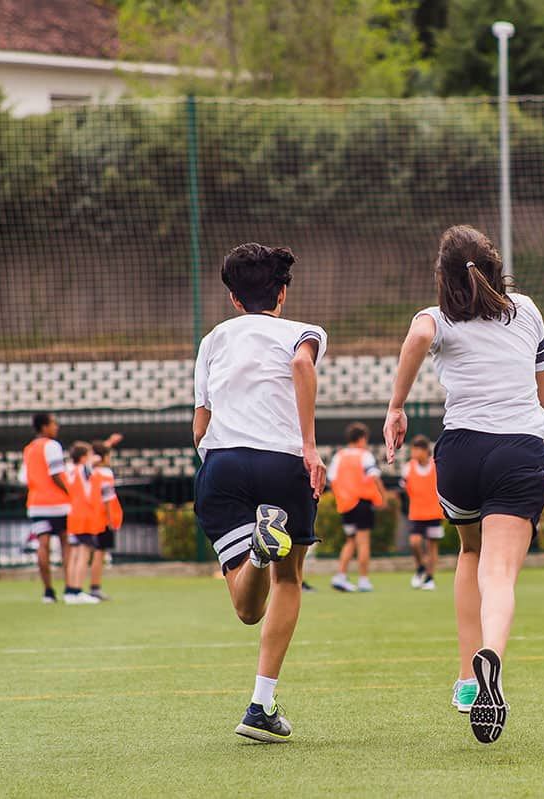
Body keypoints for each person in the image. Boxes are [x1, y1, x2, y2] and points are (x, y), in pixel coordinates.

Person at [384, 224, 544, 745]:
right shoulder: (525, 309)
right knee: (499, 574)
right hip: (520, 449)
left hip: (461, 453)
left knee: (468, 552)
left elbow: (417, 337)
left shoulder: (437, 319)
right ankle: (492, 658)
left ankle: (465, 680)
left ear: (441, 276)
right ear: (496, 268)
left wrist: (397, 407)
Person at [193, 242, 327, 743]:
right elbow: (301, 367)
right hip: (282, 463)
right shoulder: (303, 333)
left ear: (233, 298)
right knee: (289, 581)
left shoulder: (213, 340)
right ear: (283, 294)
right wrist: (309, 448)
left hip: (223, 461)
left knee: (247, 608)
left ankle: (255, 553)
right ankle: (260, 703)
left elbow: (200, 420)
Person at [327, 423, 387, 593]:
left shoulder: (339, 456)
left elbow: (331, 479)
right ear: (361, 439)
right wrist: (384, 497)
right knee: (363, 542)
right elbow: (374, 477)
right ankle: (363, 580)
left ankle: (340, 576)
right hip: (362, 503)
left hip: (346, 505)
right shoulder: (365, 455)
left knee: (350, 540)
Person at [21, 412, 71, 603]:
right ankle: (70, 587)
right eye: (53, 423)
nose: (56, 427)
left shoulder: (29, 449)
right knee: (66, 544)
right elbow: (56, 473)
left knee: (43, 546)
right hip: (58, 504)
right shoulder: (52, 446)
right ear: (44, 427)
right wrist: (70, 492)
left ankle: (48, 591)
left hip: (36, 504)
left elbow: (23, 477)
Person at [80, 439, 124, 601]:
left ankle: (76, 587)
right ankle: (95, 587)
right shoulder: (106, 473)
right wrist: (111, 519)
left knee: (83, 553)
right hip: (102, 518)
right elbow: (107, 498)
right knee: (99, 553)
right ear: (104, 457)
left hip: (88, 516)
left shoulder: (87, 473)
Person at [400, 435, 442, 590]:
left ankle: (430, 578)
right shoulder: (408, 468)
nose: (414, 453)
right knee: (415, 542)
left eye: (417, 450)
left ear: (425, 450)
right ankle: (420, 568)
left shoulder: (436, 466)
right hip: (416, 513)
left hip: (434, 512)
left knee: (432, 546)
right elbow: (405, 488)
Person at [64, 441, 101, 605]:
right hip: (84, 515)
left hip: (72, 514)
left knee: (74, 553)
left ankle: (70, 590)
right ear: (84, 457)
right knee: (84, 553)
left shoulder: (69, 469)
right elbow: (94, 462)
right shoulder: (82, 470)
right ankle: (78, 590)